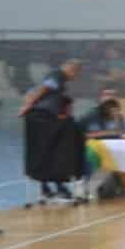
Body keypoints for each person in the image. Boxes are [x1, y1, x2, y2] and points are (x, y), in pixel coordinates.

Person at [19, 59, 85, 204]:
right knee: (51, 151)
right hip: (42, 118)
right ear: (70, 68)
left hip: (45, 118)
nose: (75, 76)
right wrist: (27, 106)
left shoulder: (60, 83)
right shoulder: (57, 75)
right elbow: (44, 89)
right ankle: (54, 188)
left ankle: (48, 188)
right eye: (76, 72)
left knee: (46, 152)